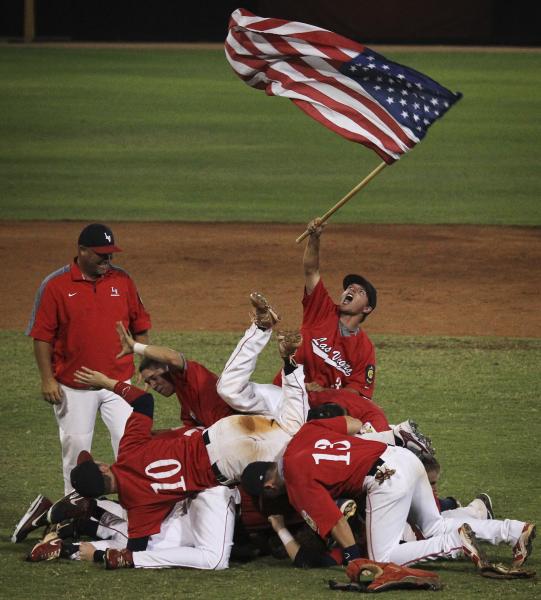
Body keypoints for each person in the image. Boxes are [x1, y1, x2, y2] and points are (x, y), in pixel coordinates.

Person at [241, 415, 535, 573]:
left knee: (383, 557)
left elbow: (336, 522)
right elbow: (352, 423)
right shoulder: (303, 434)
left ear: (269, 486)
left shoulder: (295, 484)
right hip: (400, 456)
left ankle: (456, 544)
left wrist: (354, 558)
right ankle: (514, 531)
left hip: (384, 480)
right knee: (433, 523)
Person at [26, 223, 151, 493]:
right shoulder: (55, 285)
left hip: (118, 382)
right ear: (81, 251)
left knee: (131, 450)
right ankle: (74, 514)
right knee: (76, 454)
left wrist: (145, 361)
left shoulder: (123, 280)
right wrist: (47, 379)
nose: (108, 260)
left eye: (111, 254)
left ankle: (135, 512)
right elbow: (42, 336)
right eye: (101, 254)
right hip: (74, 387)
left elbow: (140, 325)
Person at [272, 218, 376, 399]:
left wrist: (326, 393)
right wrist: (314, 238)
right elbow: (311, 271)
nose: (351, 289)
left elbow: (359, 393)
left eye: (360, 291)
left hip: (323, 407)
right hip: (284, 394)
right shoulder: (322, 309)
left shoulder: (365, 348)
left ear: (366, 309)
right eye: (349, 287)